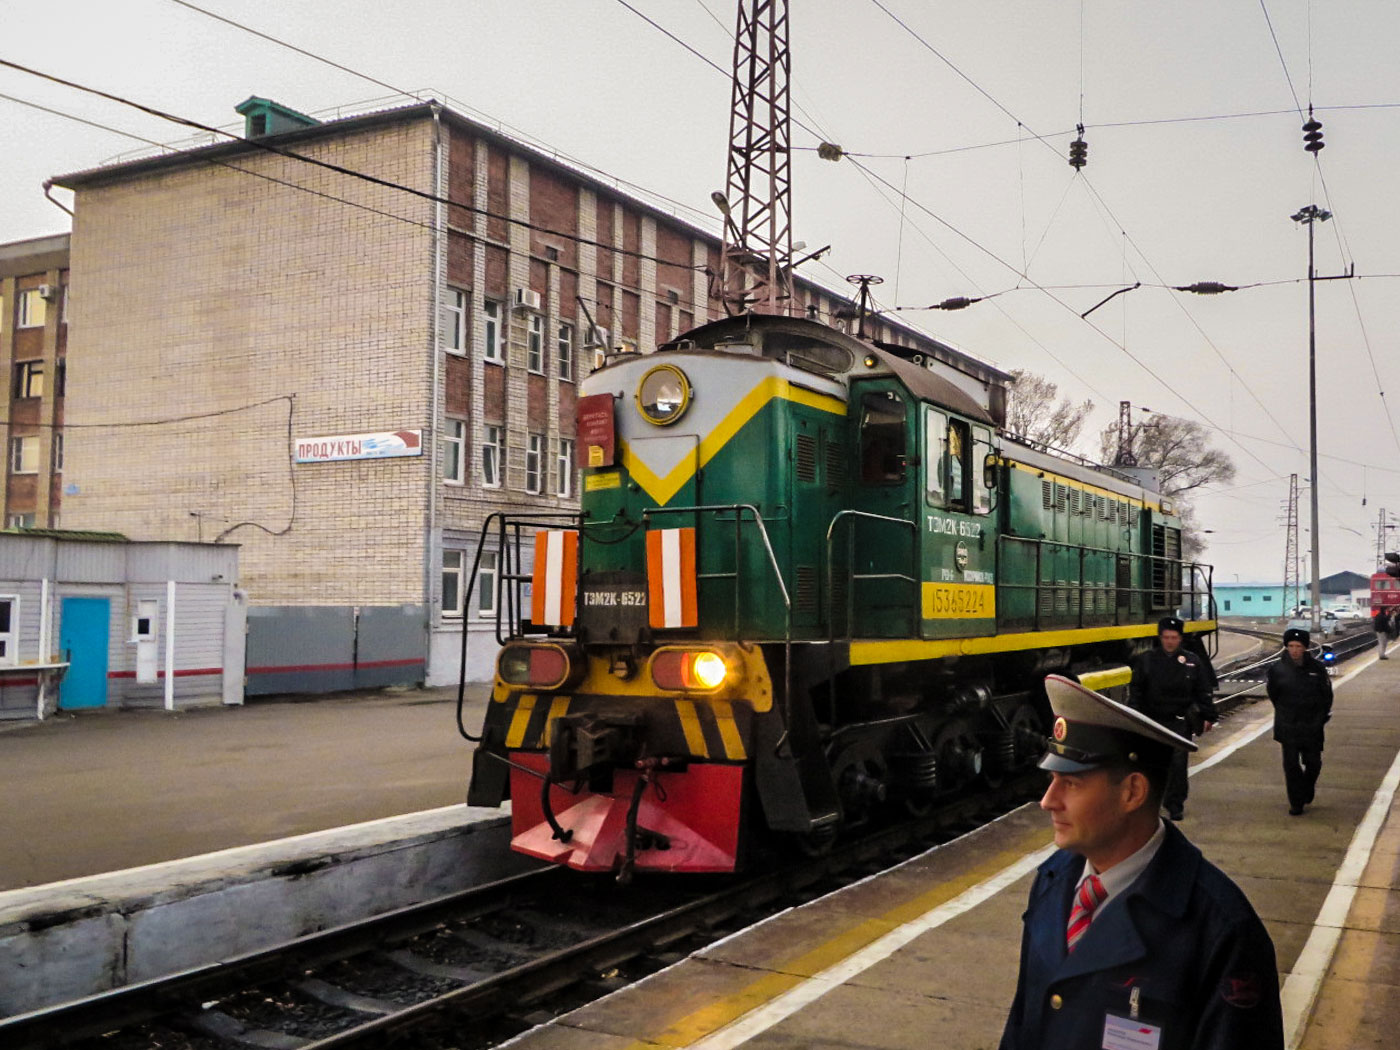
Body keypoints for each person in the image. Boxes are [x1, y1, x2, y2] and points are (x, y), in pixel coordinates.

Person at [1000, 675, 1283, 1050]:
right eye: (1051, 780)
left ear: (1133, 791)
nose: (1048, 801)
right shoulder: (1053, 881)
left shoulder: (1222, 930)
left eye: (1071, 783)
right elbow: (1024, 1022)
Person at [1128, 616, 1217, 821]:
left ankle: (1175, 804)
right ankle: (1149, 803)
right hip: (1152, 719)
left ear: (1180, 638)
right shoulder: (1147, 660)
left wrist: (1208, 715)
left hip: (1179, 720)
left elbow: (1203, 690)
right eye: (1166, 637)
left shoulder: (1192, 661)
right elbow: (1136, 691)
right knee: (1150, 763)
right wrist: (1134, 715)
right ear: (1160, 638)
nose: (1170, 641)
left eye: (1174, 637)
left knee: (1177, 765)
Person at [1266, 627, 1334, 816]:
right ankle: (1296, 802)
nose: (1294, 650)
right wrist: (1284, 712)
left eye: (1298, 646)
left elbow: (1326, 695)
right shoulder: (1277, 670)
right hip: (1288, 724)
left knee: (1313, 763)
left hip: (1312, 724)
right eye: (1291, 646)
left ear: (1305, 647)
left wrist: (1321, 716)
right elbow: (1274, 694)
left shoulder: (1317, 669)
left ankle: (1307, 786)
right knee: (1291, 765)